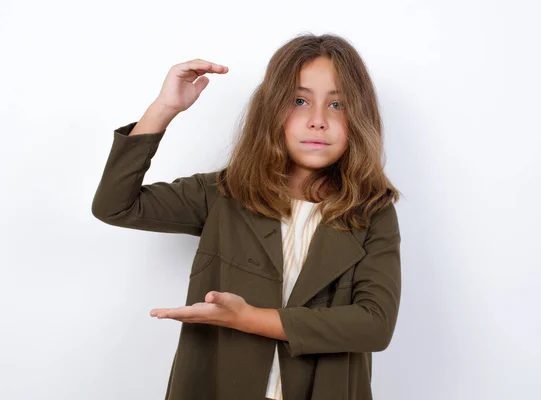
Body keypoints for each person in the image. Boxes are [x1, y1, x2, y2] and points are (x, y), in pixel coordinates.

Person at [92, 33, 402, 400]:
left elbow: (375, 324)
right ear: (272, 110)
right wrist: (164, 109)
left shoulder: (372, 212)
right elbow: (115, 205)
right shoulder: (224, 193)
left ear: (359, 117)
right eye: (300, 101)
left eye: (338, 105)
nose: (318, 120)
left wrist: (246, 318)